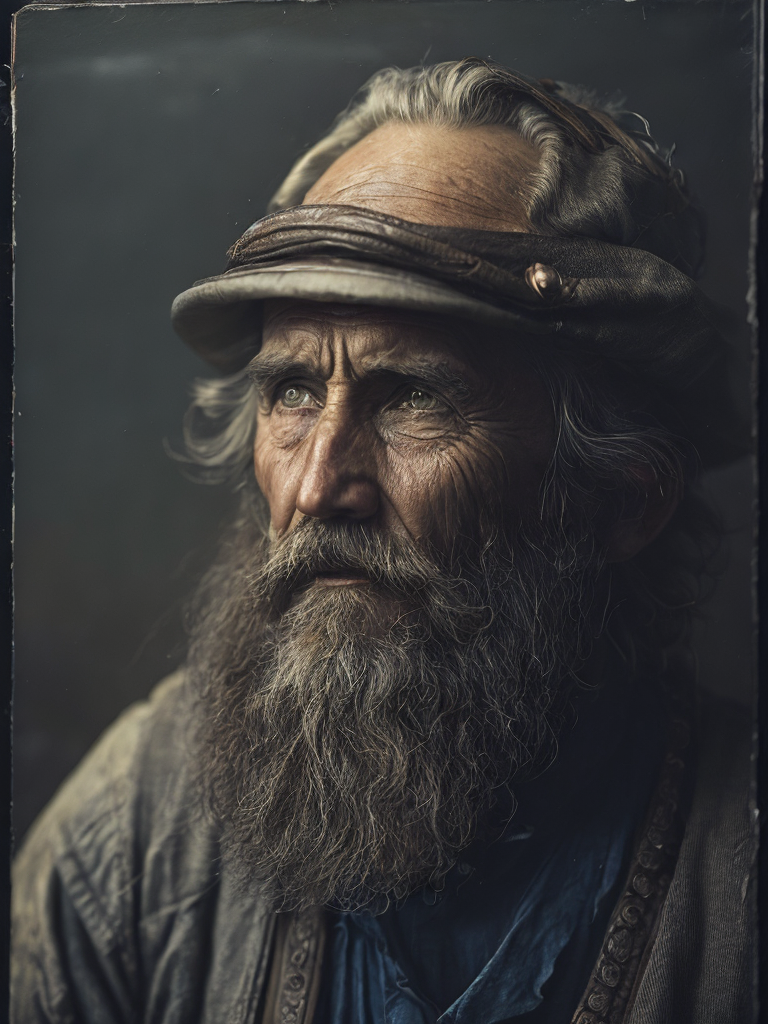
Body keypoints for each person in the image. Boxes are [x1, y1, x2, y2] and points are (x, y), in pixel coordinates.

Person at [11, 59, 755, 1024]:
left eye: (412, 397)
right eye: (292, 390)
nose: (321, 486)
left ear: (624, 501)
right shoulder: (137, 833)